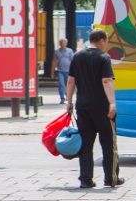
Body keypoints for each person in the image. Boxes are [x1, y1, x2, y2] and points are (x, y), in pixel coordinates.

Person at [66, 28, 123, 189]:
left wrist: (69, 102)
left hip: (83, 106)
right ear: (102, 40)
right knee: (108, 144)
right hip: (102, 107)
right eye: (106, 42)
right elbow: (106, 81)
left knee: (86, 144)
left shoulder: (77, 56)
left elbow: (71, 81)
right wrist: (112, 103)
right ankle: (111, 179)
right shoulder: (104, 57)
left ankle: (85, 179)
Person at [51, 38, 74, 105]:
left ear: (66, 44)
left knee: (68, 85)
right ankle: (62, 98)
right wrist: (52, 72)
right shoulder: (57, 51)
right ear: (59, 44)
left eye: (64, 43)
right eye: (61, 43)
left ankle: (68, 96)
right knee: (61, 84)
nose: (62, 45)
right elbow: (54, 61)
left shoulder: (70, 51)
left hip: (69, 71)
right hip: (60, 71)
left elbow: (73, 61)